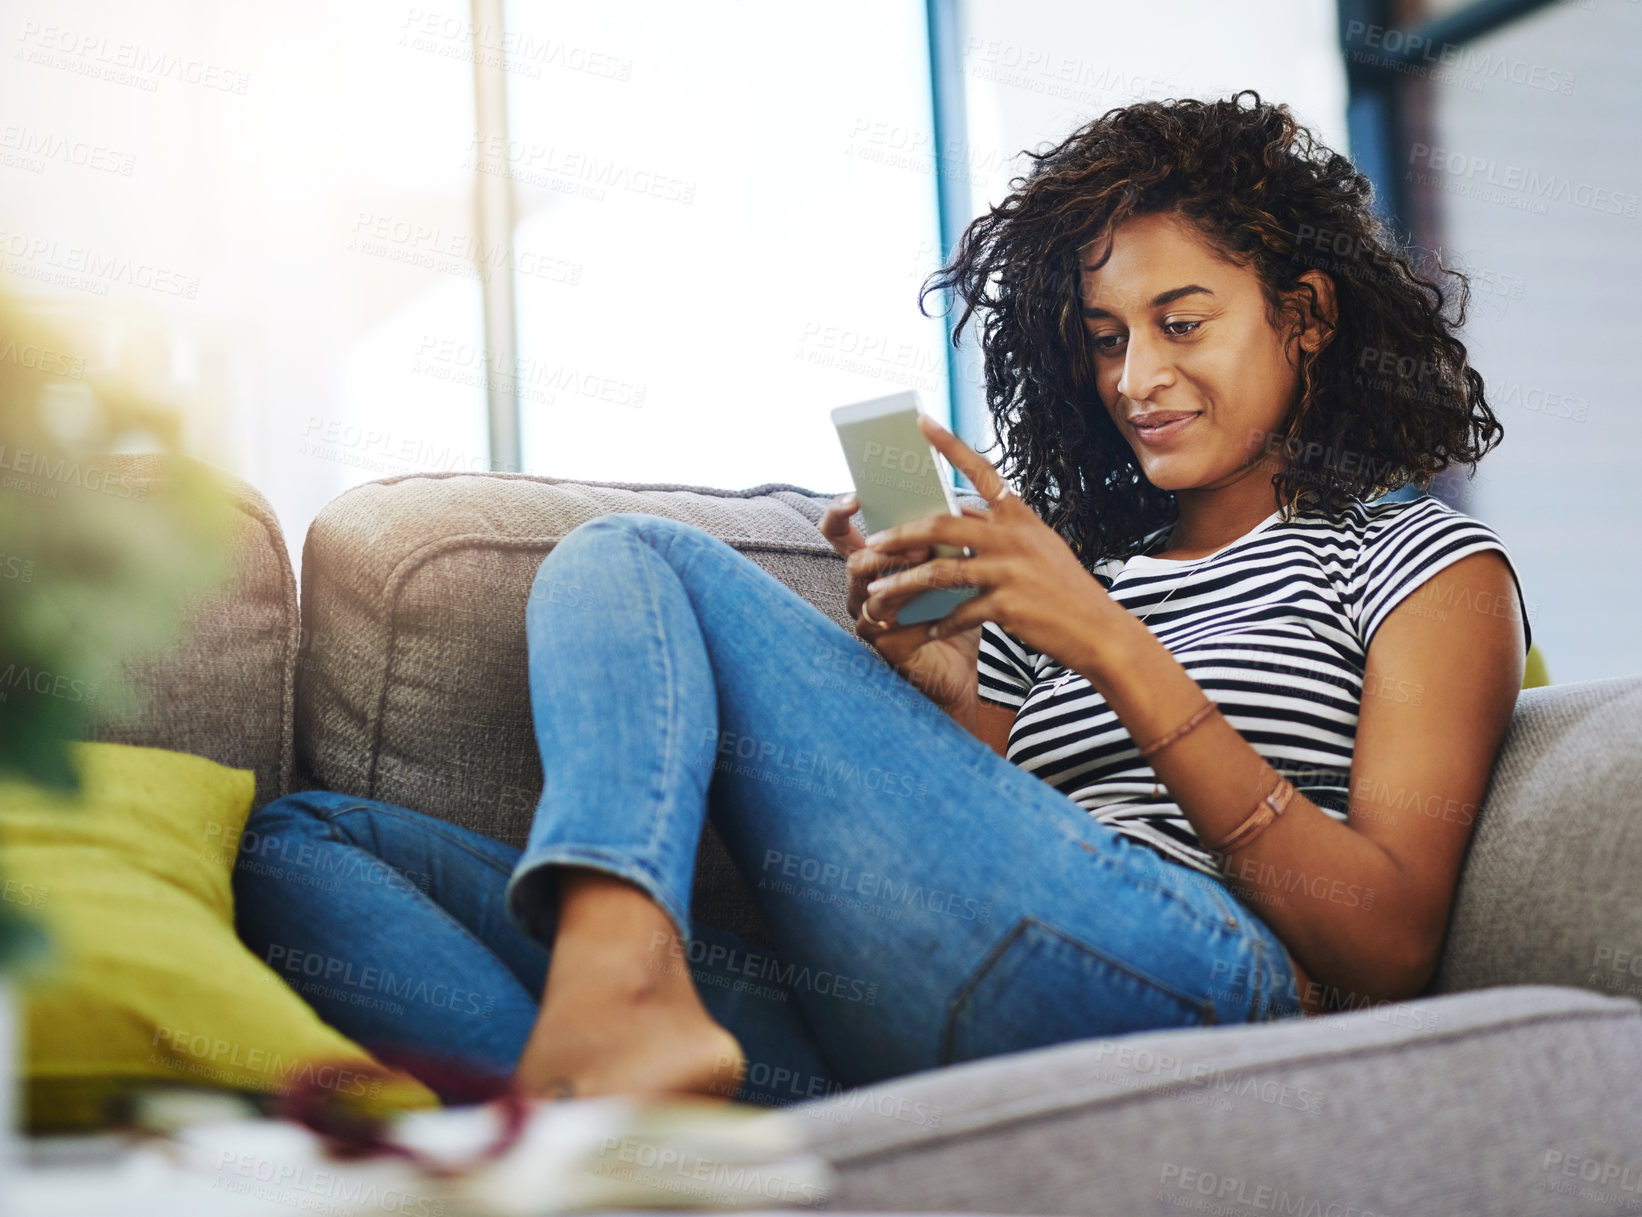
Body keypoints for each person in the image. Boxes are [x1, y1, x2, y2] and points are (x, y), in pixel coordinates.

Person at [232, 90, 1529, 1109]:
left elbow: (1387, 931)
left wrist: (1109, 643)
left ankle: (617, 982)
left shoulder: (1414, 563)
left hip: (1188, 975)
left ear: (1303, 315)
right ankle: (625, 1116)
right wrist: (949, 692)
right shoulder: (1080, 571)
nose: (1135, 374)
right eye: (1103, 336)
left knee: (629, 555)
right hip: (902, 1004)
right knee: (304, 846)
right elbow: (983, 843)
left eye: (1180, 321)